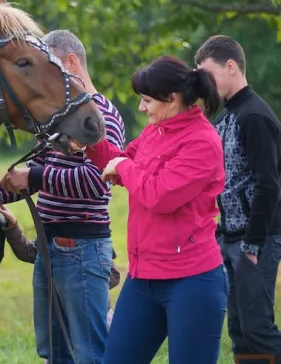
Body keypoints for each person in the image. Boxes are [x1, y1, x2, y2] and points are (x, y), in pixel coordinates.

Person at [0, 30, 125, 364]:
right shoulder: (61, 117)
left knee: (89, 352)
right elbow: (29, 176)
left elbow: (97, 181)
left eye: (53, 66)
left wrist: (34, 176)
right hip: (51, 250)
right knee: (54, 352)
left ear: (71, 61)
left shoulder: (101, 115)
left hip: (82, 251)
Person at [85, 56, 228, 364]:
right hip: (143, 277)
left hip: (192, 282)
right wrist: (89, 140)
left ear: (172, 99)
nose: (141, 108)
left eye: (147, 101)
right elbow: (121, 160)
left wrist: (123, 166)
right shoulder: (156, 131)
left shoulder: (203, 142)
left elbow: (160, 194)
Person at [196, 36, 281, 364]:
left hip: (255, 241)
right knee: (240, 330)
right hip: (229, 239)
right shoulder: (225, 117)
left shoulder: (255, 116)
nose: (206, 85)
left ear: (231, 67)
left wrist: (252, 244)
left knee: (259, 328)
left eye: (209, 75)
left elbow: (269, 185)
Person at [0, 205, 122, 331]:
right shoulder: (53, 234)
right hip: (62, 316)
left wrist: (78, 281)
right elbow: (28, 252)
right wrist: (13, 225)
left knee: (100, 349)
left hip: (94, 314)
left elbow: (114, 275)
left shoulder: (92, 239)